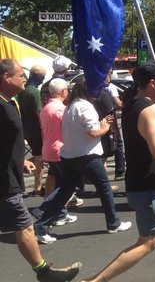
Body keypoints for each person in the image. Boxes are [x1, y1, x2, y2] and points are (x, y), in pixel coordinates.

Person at [81, 59, 155, 282]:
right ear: (153, 83)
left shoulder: (132, 104)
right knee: (148, 242)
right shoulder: (150, 109)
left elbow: (146, 140)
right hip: (149, 183)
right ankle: (94, 281)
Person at [0, 58, 81, 282]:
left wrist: (20, 161)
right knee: (25, 225)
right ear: (6, 78)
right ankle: (45, 272)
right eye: (19, 75)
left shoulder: (8, 102)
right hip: (4, 182)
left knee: (22, 225)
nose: (24, 79)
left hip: (9, 176)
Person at [33, 77, 132, 243]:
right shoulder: (85, 106)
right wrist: (105, 127)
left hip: (69, 155)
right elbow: (93, 133)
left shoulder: (71, 106)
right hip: (86, 155)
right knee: (104, 188)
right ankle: (113, 223)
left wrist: (100, 126)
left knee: (64, 191)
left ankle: (42, 224)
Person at [37, 78, 76, 225]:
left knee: (61, 183)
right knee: (65, 185)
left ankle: (60, 213)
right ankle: (47, 210)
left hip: (49, 148)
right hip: (60, 149)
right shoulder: (60, 109)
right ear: (63, 91)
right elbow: (69, 128)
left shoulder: (46, 107)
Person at [17, 64, 46, 195]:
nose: (43, 80)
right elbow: (39, 112)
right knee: (40, 157)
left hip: (27, 128)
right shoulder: (33, 92)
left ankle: (19, 165)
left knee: (39, 155)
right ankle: (37, 187)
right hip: (36, 130)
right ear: (37, 76)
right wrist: (44, 129)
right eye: (42, 77)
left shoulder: (22, 90)